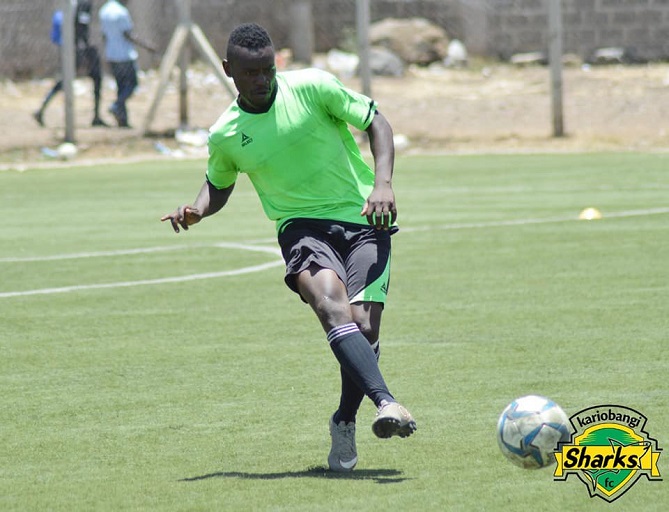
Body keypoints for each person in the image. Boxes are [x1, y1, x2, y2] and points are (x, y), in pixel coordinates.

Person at [161, 23, 416, 473]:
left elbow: (377, 121)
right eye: (250, 73)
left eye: (267, 69)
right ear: (228, 71)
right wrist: (198, 209)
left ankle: (343, 418)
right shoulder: (226, 133)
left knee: (364, 329)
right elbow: (217, 184)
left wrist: (383, 184)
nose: (262, 80)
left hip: (363, 217)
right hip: (301, 229)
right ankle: (387, 402)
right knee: (329, 306)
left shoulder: (315, 87)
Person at [33, 0, 108, 127]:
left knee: (72, 79)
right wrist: (83, 49)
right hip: (79, 47)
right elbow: (80, 27)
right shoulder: (84, 3)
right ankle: (95, 116)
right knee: (83, 78)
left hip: (75, 46)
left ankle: (42, 109)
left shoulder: (77, 3)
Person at [99, 0, 155, 127]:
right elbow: (127, 34)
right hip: (124, 55)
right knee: (133, 84)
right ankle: (116, 105)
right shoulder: (121, 12)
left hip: (111, 54)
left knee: (121, 87)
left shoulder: (104, 10)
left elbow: (104, 35)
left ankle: (122, 121)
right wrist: (146, 46)